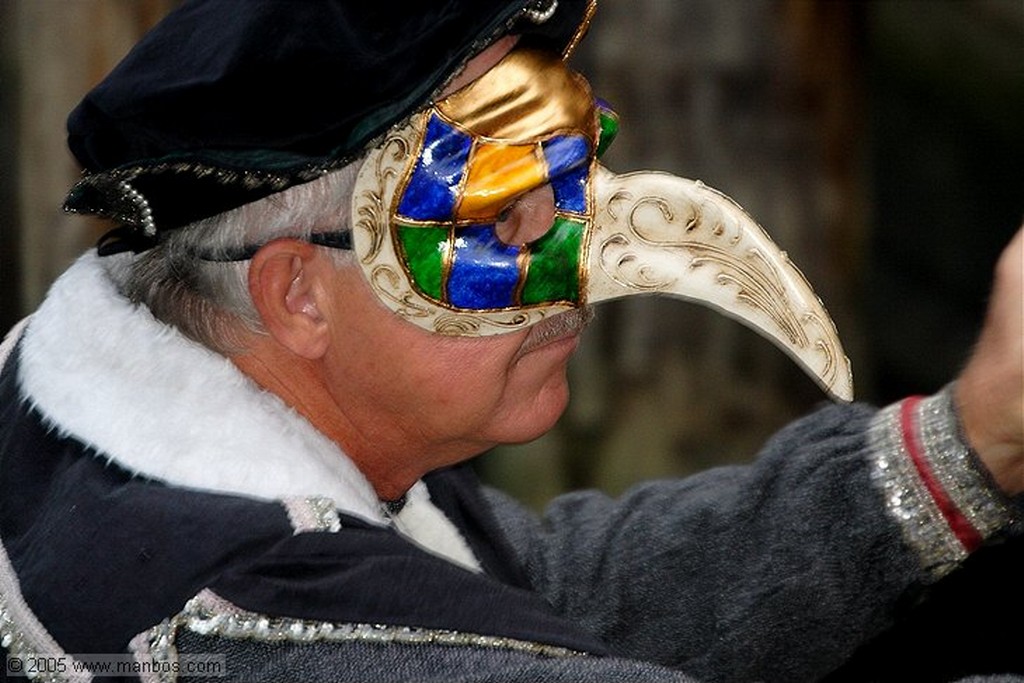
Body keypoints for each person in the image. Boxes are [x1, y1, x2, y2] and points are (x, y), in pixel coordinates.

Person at [0, 1, 1021, 682]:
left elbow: (536, 590)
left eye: (567, 186)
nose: (574, 262)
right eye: (499, 221)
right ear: (298, 294)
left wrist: (969, 439)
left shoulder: (116, 417)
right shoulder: (263, 622)